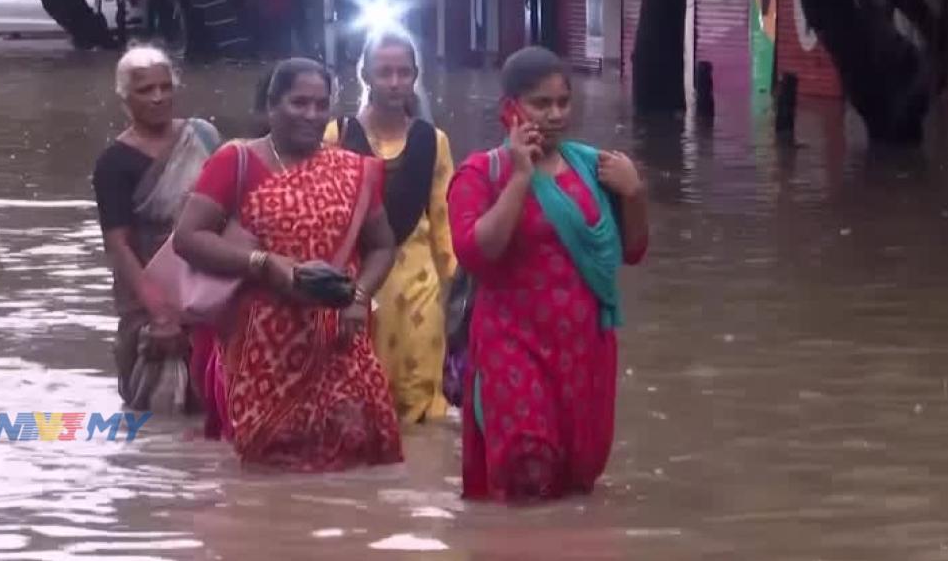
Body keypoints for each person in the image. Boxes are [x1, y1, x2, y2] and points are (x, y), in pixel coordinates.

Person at [173, 58, 403, 472]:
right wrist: (263, 263)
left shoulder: (352, 169)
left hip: (341, 338)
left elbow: (383, 245)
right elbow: (188, 238)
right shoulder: (237, 162)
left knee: (359, 450)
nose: (312, 115)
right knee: (270, 460)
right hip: (264, 346)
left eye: (321, 104)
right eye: (299, 103)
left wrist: (360, 298)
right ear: (271, 106)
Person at [446, 46, 650, 502]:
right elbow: (477, 252)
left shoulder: (594, 168)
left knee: (578, 473)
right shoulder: (480, 174)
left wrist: (634, 193)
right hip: (512, 342)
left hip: (584, 345)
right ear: (510, 108)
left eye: (564, 101)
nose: (556, 114)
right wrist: (520, 178)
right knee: (526, 463)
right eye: (541, 103)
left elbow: (632, 252)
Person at [324, 29, 456, 424]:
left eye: (404, 72)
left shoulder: (433, 141)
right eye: (385, 72)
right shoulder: (338, 135)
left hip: (419, 283)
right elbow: (327, 218)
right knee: (361, 390)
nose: (395, 82)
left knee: (421, 394)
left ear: (416, 75)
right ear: (365, 75)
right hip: (357, 284)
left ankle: (420, 478)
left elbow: (443, 219)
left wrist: (464, 283)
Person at [91, 46, 222, 413]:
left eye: (165, 87)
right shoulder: (114, 164)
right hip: (151, 297)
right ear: (124, 98)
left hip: (209, 288)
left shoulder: (203, 137)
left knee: (215, 407)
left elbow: (231, 209)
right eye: (145, 90)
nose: (158, 97)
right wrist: (159, 312)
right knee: (158, 415)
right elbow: (119, 245)